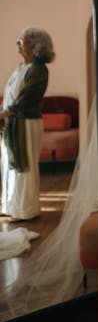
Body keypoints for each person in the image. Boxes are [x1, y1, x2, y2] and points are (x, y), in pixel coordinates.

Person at [1, 27, 55, 221]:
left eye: (21, 41)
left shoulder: (39, 70)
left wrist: (4, 114)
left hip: (26, 123)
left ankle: (26, 210)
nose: (17, 44)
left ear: (35, 46)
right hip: (13, 123)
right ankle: (11, 206)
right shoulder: (21, 68)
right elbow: (9, 97)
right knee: (10, 165)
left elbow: (25, 99)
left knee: (24, 167)